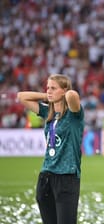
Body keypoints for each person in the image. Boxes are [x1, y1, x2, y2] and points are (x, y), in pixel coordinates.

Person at [17, 74, 84, 224]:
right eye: (48, 87)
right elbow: (21, 97)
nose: (49, 90)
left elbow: (73, 95)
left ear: (64, 90)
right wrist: (48, 96)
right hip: (45, 177)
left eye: (53, 88)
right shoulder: (48, 112)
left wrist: (63, 95)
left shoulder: (74, 115)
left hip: (67, 177)